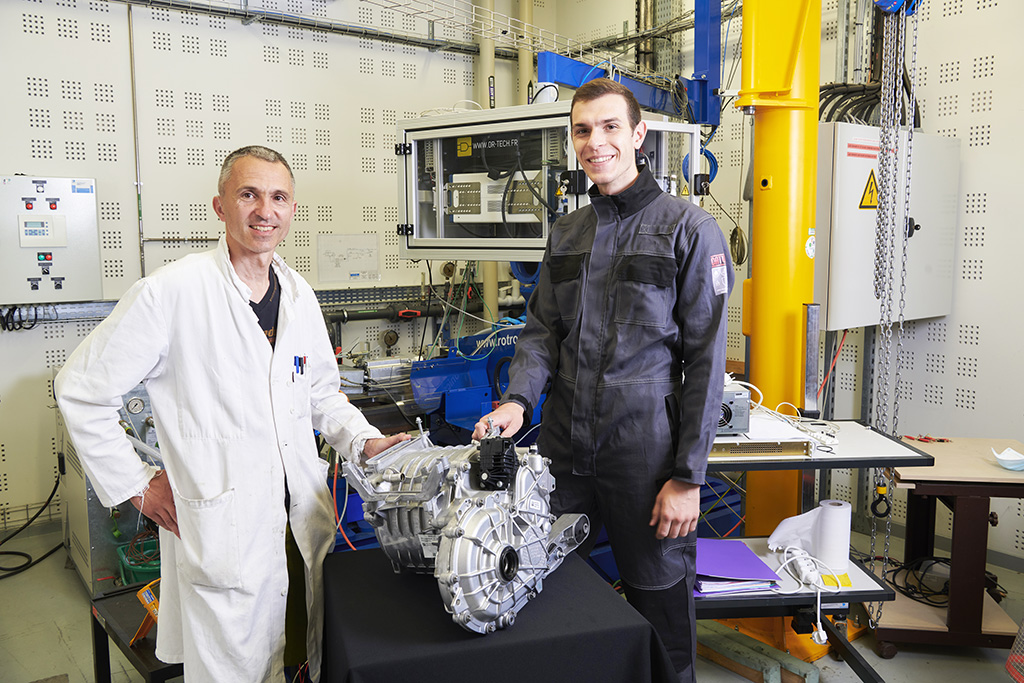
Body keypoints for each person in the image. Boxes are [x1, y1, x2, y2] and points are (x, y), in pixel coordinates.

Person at [55, 145, 408, 682]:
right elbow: (79, 390)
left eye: (278, 197)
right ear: (221, 207)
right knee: (233, 667)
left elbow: (321, 393)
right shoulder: (171, 293)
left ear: (291, 210)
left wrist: (363, 441)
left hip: (297, 523)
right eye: (249, 194)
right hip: (224, 529)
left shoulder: (298, 295)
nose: (264, 210)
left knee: (297, 653)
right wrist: (136, 483)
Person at [473, 79, 733, 682]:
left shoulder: (689, 231)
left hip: (643, 457)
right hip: (563, 449)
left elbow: (706, 365)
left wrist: (688, 479)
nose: (596, 142)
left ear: (639, 135)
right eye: (583, 130)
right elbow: (540, 333)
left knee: (658, 602)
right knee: (549, 593)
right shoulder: (568, 233)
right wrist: (517, 400)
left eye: (611, 127)